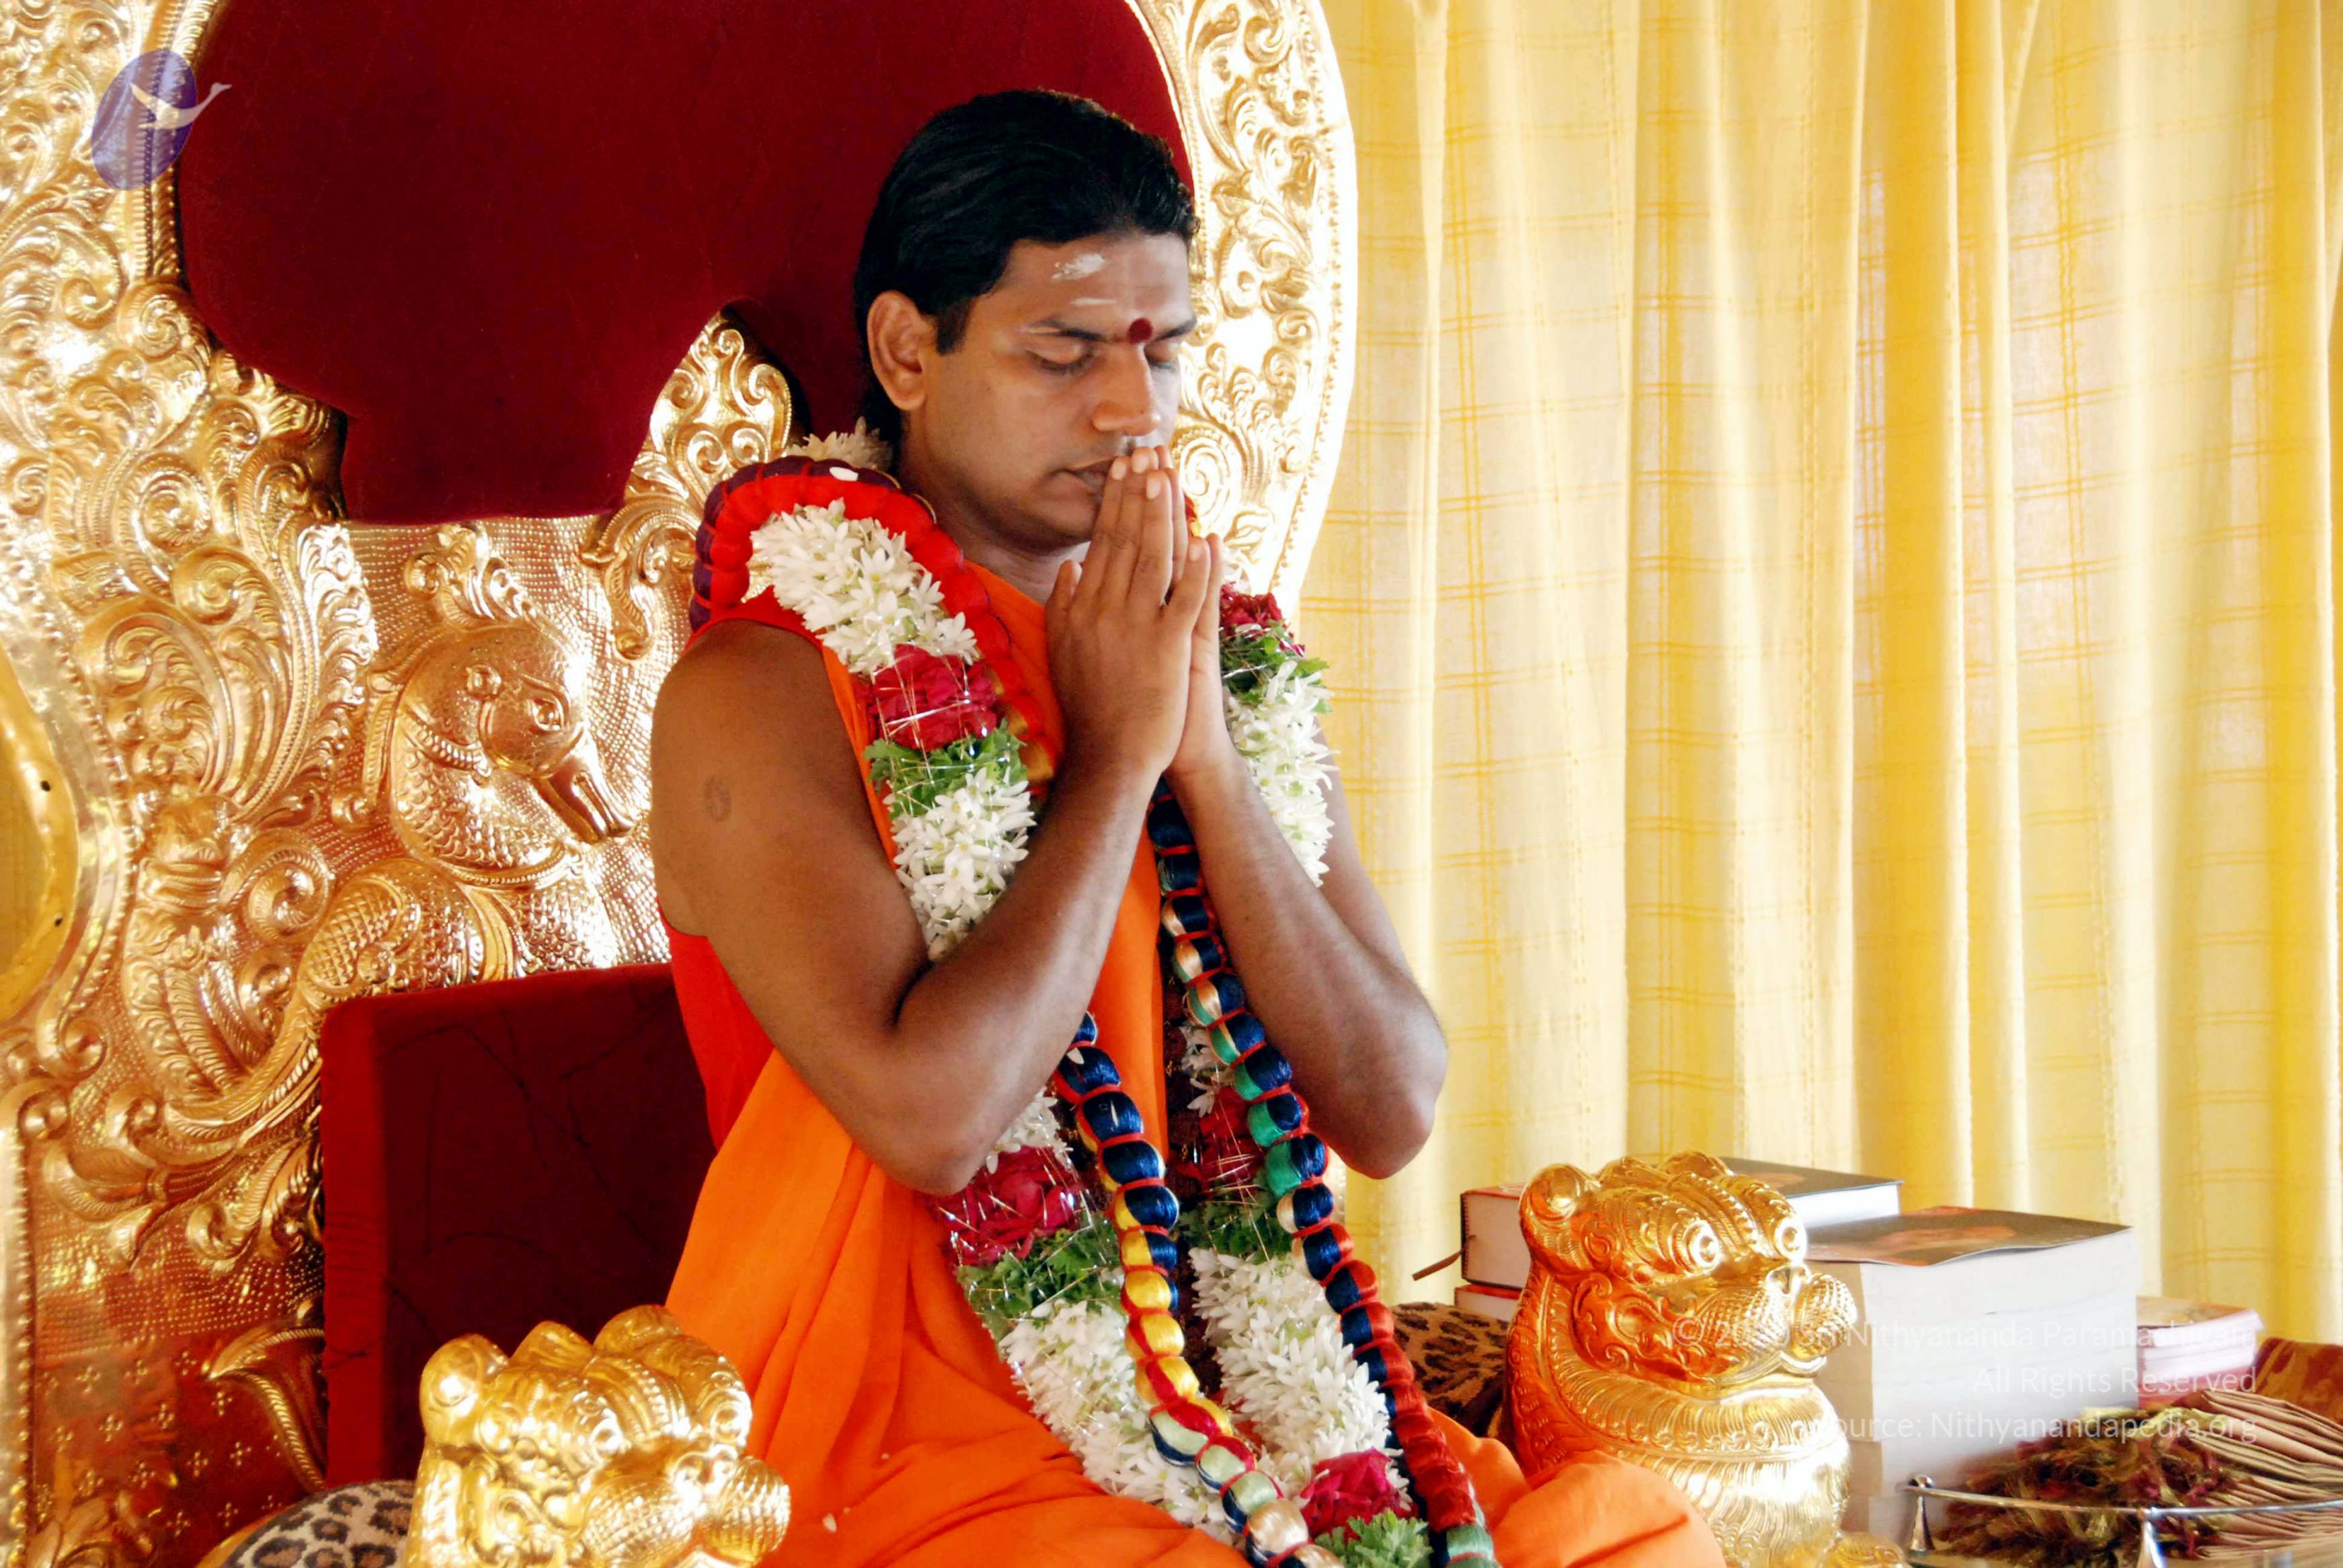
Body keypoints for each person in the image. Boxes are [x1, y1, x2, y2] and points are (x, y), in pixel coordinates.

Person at [650, 89, 1724, 1568]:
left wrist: (1204, 758)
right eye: (1066, 350)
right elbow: (934, 1122)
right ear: (906, 351)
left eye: (1161, 352)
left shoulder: (1207, 658)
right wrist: (1115, 761)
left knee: (1640, 1545)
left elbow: (1389, 1105)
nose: (1129, 409)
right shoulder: (761, 687)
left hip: (1239, 1409)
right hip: (891, 1435)